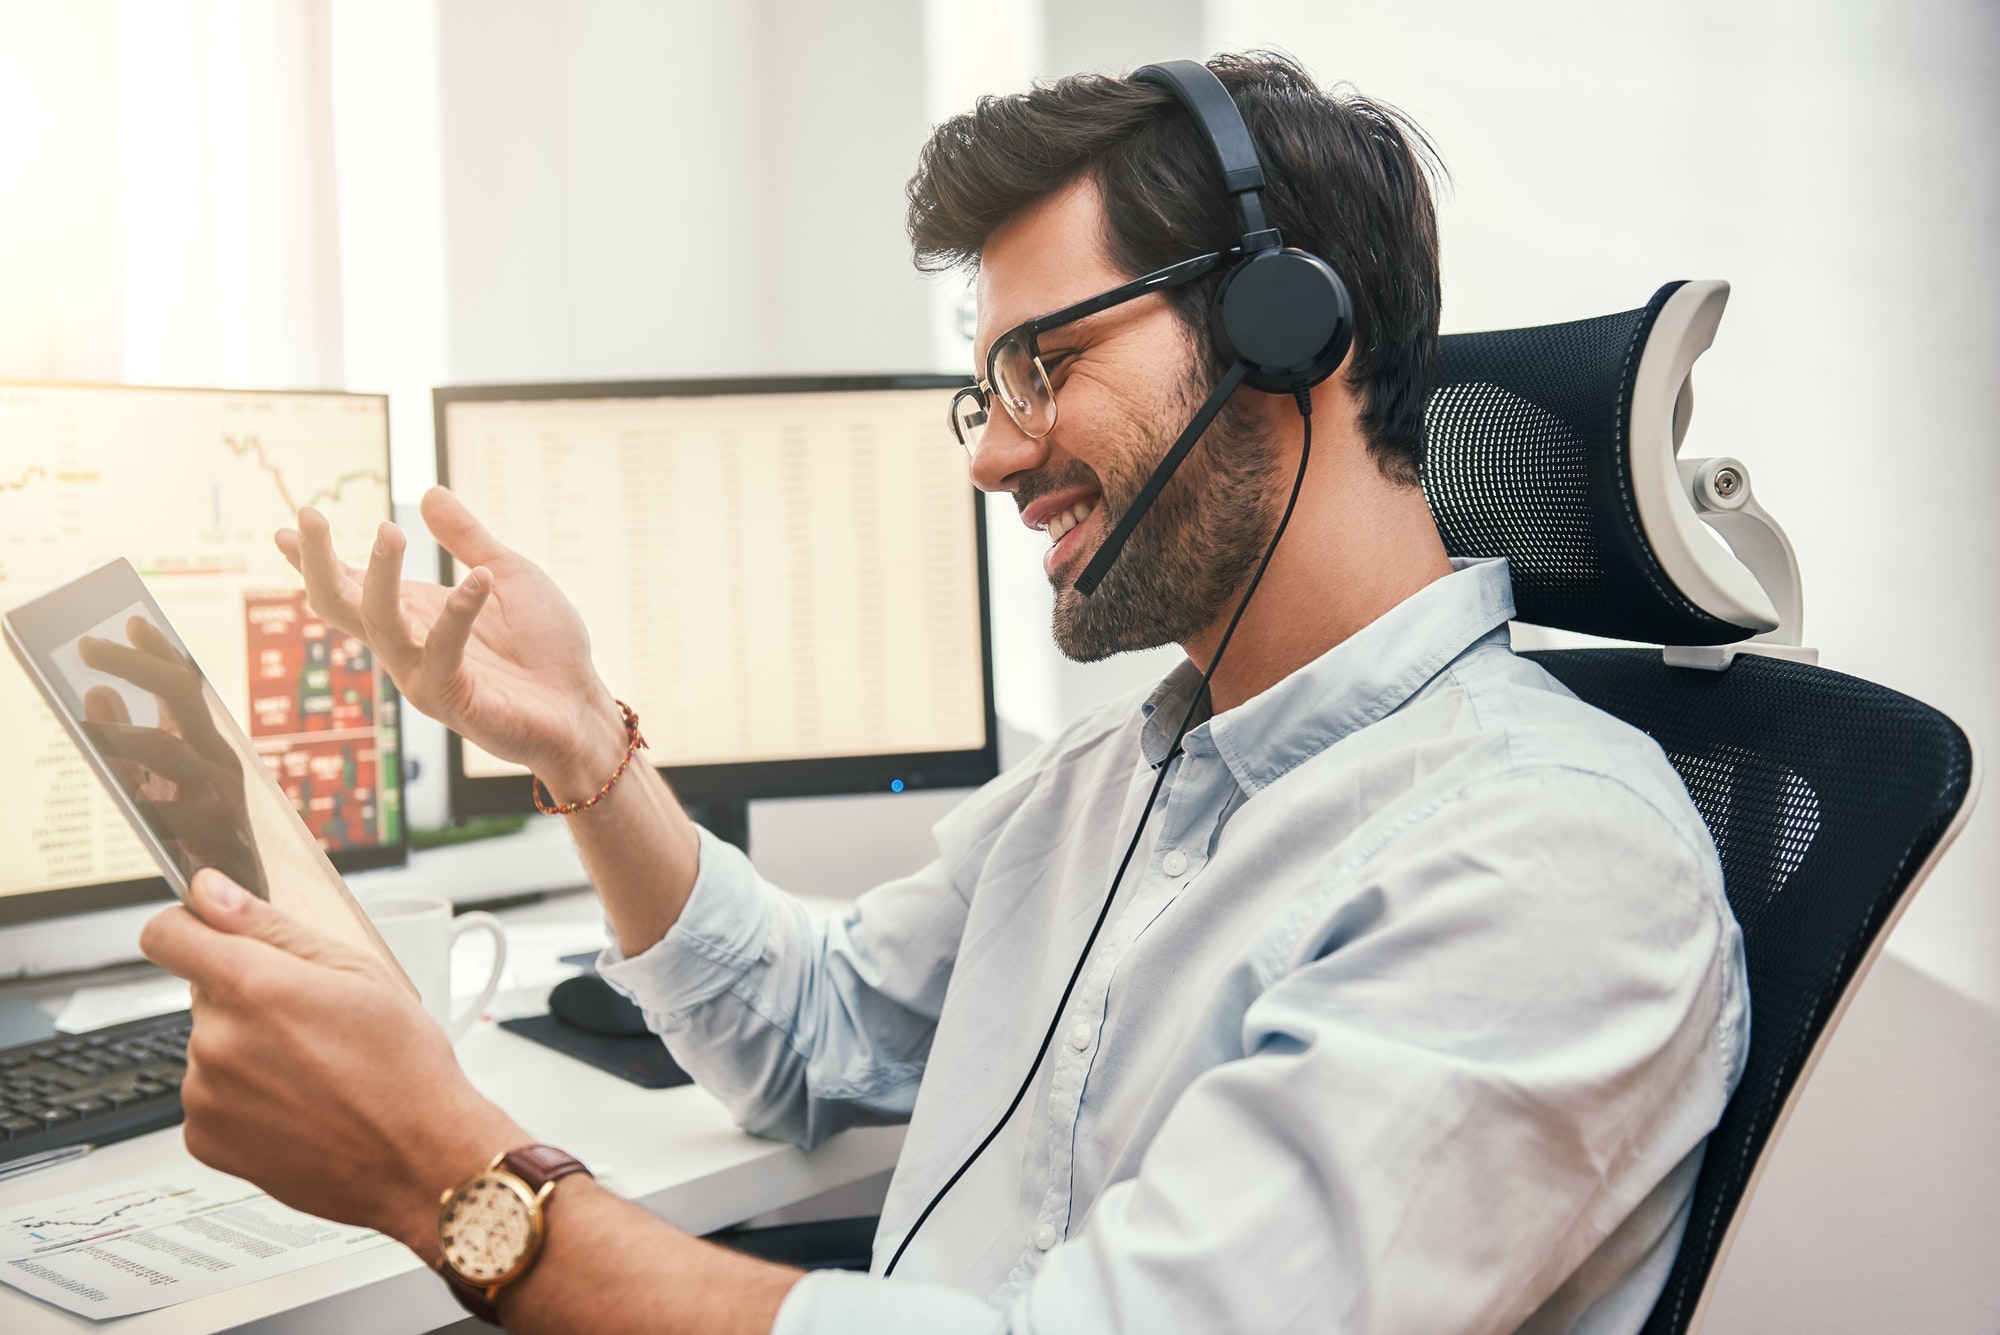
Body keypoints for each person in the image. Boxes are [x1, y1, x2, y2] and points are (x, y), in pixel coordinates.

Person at [140, 53, 1747, 1335]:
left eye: (1045, 364)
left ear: (1285, 328)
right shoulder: (1119, 783)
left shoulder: (1547, 865)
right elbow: (812, 1035)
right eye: (983, 390)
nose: (989, 450)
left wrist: (452, 1178)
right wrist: (586, 751)